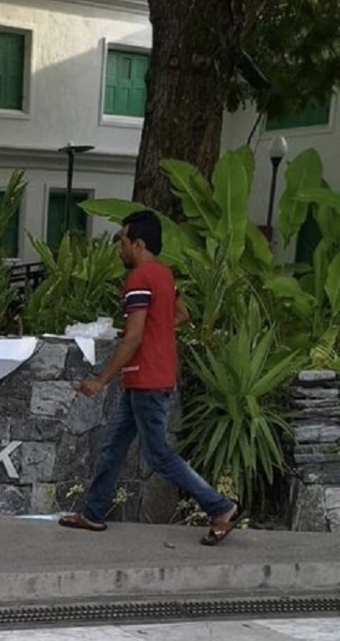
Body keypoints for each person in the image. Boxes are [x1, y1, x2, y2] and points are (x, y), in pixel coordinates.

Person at [58, 210, 241, 546]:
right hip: (147, 379)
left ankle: (222, 507)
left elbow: (133, 337)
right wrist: (157, 334)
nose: (119, 248)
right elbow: (181, 314)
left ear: (138, 244)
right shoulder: (163, 275)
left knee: (158, 455)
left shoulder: (139, 279)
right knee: (112, 446)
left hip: (146, 380)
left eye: (123, 241)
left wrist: (100, 380)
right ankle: (94, 514)